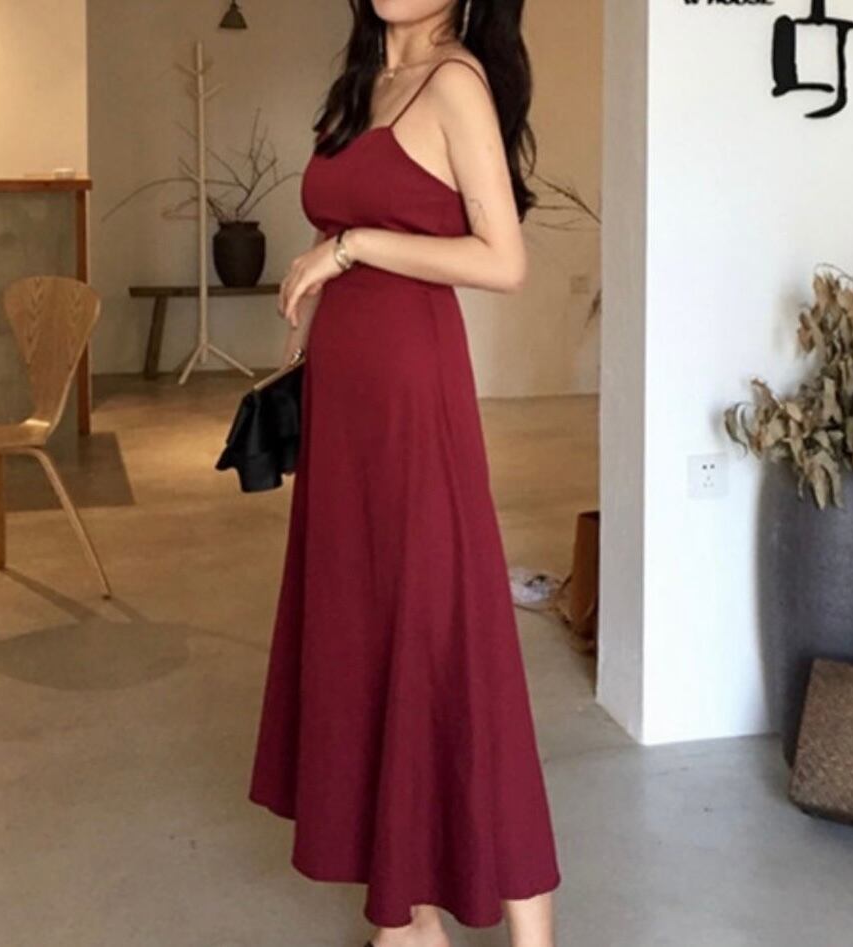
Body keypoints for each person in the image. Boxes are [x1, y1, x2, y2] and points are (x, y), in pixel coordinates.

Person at [248, 2, 560, 946]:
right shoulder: (367, 80)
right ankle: (409, 918)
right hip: (348, 401)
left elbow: (504, 261)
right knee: (369, 636)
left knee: (450, 635)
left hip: (413, 396)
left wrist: (350, 247)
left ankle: (533, 935)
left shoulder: (455, 81)